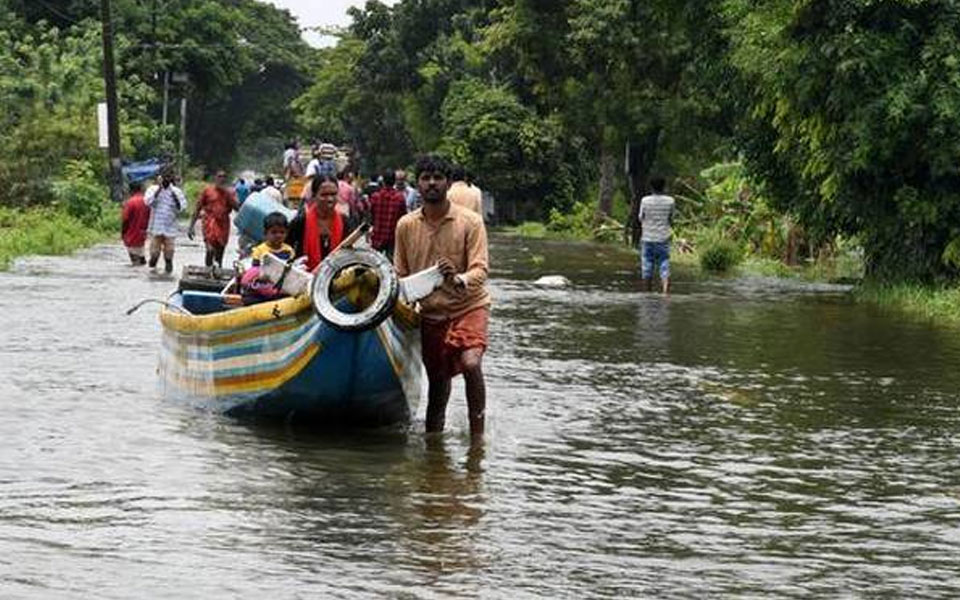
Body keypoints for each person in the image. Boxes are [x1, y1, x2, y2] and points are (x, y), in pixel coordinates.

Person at [394, 154, 491, 443]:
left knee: (471, 362)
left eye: (438, 177)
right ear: (418, 184)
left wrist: (457, 278)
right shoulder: (406, 226)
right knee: (438, 383)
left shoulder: (470, 222)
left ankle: (478, 440)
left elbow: (480, 269)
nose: (432, 183)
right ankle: (433, 449)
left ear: (449, 183)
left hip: (468, 304)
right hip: (430, 312)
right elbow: (400, 273)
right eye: (426, 178)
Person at [287, 175, 345, 271]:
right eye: (324, 195)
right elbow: (286, 249)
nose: (330, 199)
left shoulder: (345, 221)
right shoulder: (300, 221)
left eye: (333, 194)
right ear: (314, 196)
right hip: (305, 278)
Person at [241, 212, 295, 303]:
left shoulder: (289, 251)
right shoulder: (259, 251)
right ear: (265, 233)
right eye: (274, 232)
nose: (278, 235)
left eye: (282, 232)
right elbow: (255, 271)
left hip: (281, 286)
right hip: (263, 285)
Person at [189, 170, 239, 268]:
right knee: (210, 250)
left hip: (223, 224)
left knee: (219, 253)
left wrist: (229, 196)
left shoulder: (229, 193)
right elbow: (197, 208)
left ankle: (217, 274)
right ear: (215, 178)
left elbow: (237, 208)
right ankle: (207, 271)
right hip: (209, 223)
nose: (221, 179)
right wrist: (191, 227)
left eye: (224, 177)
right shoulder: (207, 191)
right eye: (219, 176)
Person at [144, 168, 188, 274]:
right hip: (156, 227)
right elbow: (147, 202)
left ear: (172, 178)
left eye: (169, 177)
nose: (167, 179)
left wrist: (175, 198)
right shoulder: (153, 189)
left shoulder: (177, 191)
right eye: (165, 176)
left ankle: (168, 273)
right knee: (154, 255)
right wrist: (159, 189)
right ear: (161, 177)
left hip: (170, 228)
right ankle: (152, 271)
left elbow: (182, 208)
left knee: (169, 256)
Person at [638, 176, 676, 294]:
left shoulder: (645, 200)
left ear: (651, 187)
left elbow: (640, 217)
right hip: (663, 238)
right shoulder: (670, 201)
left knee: (647, 266)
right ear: (664, 187)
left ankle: (647, 294)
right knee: (664, 263)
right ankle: (665, 292)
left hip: (647, 238)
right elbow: (671, 218)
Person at [368, 170, 407, 259]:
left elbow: (371, 216)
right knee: (391, 265)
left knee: (376, 262)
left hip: (378, 235)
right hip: (392, 237)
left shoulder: (375, 197)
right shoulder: (399, 198)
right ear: (394, 181)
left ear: (383, 181)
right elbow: (403, 218)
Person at [121, 181, 150, 265]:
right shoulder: (146, 201)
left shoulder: (130, 203)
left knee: (135, 261)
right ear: (141, 189)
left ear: (130, 190)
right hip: (144, 234)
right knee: (141, 257)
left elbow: (125, 219)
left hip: (132, 234)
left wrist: (123, 233)